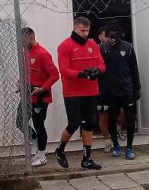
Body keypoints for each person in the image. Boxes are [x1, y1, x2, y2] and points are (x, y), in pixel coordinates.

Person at [55, 16, 105, 170]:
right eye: (83, 30)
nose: (85, 34)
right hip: (73, 92)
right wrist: (82, 74)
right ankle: (60, 150)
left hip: (90, 91)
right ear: (75, 28)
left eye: (88, 31)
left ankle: (87, 159)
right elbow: (64, 70)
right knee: (74, 123)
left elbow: (102, 64)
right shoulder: (65, 46)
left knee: (88, 124)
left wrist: (96, 71)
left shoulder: (92, 44)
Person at [97, 25, 142, 160]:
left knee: (129, 117)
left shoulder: (128, 47)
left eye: (116, 37)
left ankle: (129, 147)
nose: (113, 40)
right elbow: (99, 70)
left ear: (120, 36)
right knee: (112, 117)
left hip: (126, 89)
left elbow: (134, 68)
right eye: (110, 37)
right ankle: (115, 145)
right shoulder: (102, 48)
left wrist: (137, 88)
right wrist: (101, 91)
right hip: (110, 90)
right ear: (107, 36)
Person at [23, 27, 59, 167]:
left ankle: (42, 155)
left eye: (22, 40)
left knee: (38, 124)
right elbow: (27, 72)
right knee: (20, 122)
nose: (21, 43)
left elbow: (55, 74)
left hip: (40, 97)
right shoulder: (26, 53)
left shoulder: (43, 54)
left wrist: (42, 88)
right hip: (28, 95)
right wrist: (20, 82)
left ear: (30, 37)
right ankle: (37, 147)